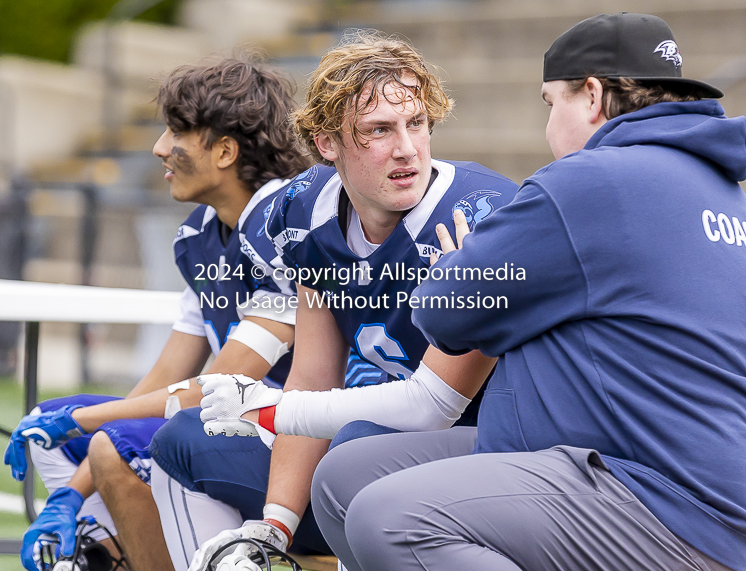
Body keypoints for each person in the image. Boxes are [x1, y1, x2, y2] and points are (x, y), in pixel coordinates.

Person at [301, 12, 746, 571]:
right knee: (344, 478)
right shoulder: (734, 203)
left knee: (391, 517)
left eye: (551, 104)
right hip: (649, 473)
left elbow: (444, 312)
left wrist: (453, 268)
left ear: (590, 95)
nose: (548, 128)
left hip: (652, 498)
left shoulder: (592, 180)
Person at [148, 31, 518, 571]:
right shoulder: (305, 216)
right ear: (327, 144)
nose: (407, 148)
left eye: (416, 124)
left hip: (480, 457)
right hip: (358, 448)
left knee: (356, 449)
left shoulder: (479, 216)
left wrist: (271, 408)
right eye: (378, 130)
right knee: (185, 433)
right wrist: (273, 525)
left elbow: (434, 406)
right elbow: (315, 377)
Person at [3, 56, 312, 571]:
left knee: (111, 443)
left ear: (225, 151)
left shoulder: (284, 224)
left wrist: (83, 426)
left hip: (298, 438)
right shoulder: (198, 235)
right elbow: (165, 379)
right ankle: (109, 552)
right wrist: (69, 491)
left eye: (176, 132)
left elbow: (223, 384)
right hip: (228, 423)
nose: (159, 148)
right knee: (48, 429)